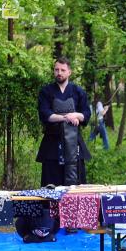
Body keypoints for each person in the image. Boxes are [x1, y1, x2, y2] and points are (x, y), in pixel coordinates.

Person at [36, 57, 92, 187]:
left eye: (62, 70)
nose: (59, 73)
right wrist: (67, 118)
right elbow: (45, 114)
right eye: (56, 70)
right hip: (51, 145)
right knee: (50, 188)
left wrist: (75, 115)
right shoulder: (46, 91)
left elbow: (86, 114)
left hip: (74, 145)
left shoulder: (78, 91)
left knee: (75, 187)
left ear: (69, 72)